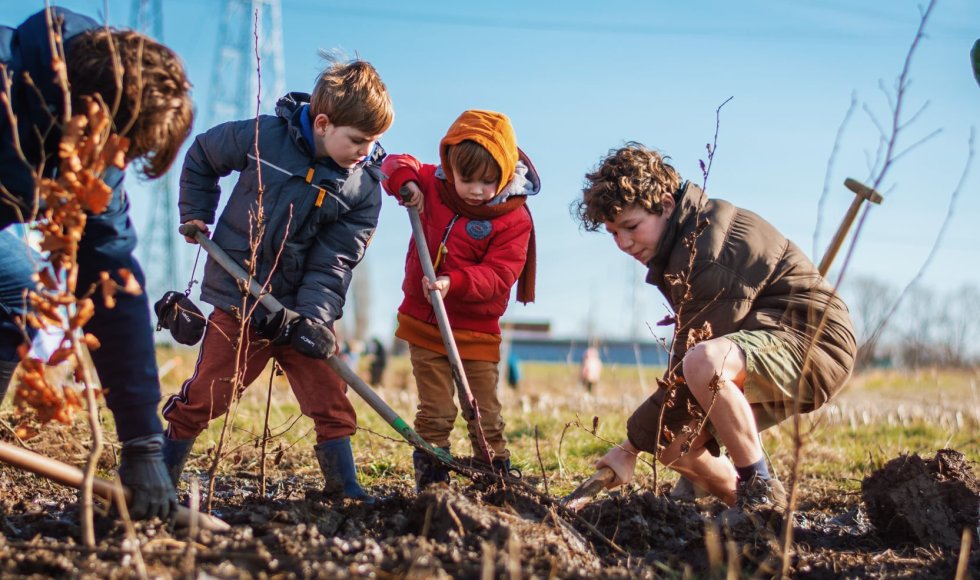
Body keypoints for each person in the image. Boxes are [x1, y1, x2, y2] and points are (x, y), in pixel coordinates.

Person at [577, 143, 856, 527]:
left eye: (630, 227)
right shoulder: (682, 245)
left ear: (665, 204)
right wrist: (645, 443)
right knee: (675, 445)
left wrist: (629, 447)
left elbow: (692, 364)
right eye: (613, 232)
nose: (623, 243)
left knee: (704, 363)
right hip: (762, 339)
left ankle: (760, 486)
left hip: (813, 342)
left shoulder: (707, 247)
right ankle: (764, 519)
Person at [160, 57, 393, 503]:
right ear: (323, 123)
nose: (367, 151)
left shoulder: (361, 189)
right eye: (359, 140)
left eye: (375, 141)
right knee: (210, 392)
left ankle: (343, 487)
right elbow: (203, 155)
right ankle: (161, 470)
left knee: (329, 395)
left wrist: (310, 319)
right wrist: (195, 213)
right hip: (239, 298)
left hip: (300, 316)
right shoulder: (263, 138)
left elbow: (335, 261)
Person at [0, 7, 193, 521]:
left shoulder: (90, 164)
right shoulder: (7, 94)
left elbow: (113, 279)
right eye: (119, 150)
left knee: (17, 286)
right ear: (88, 116)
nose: (116, 168)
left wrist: (143, 442)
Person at [382, 110, 540, 490]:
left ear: (504, 173)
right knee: (435, 410)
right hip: (424, 323)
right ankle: (433, 476)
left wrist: (456, 281)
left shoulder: (513, 218)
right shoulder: (434, 184)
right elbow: (391, 163)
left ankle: (495, 473)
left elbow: (502, 274)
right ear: (449, 163)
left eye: (488, 181)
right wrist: (407, 184)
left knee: (483, 410)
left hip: (475, 331)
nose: (476, 189)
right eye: (466, 178)